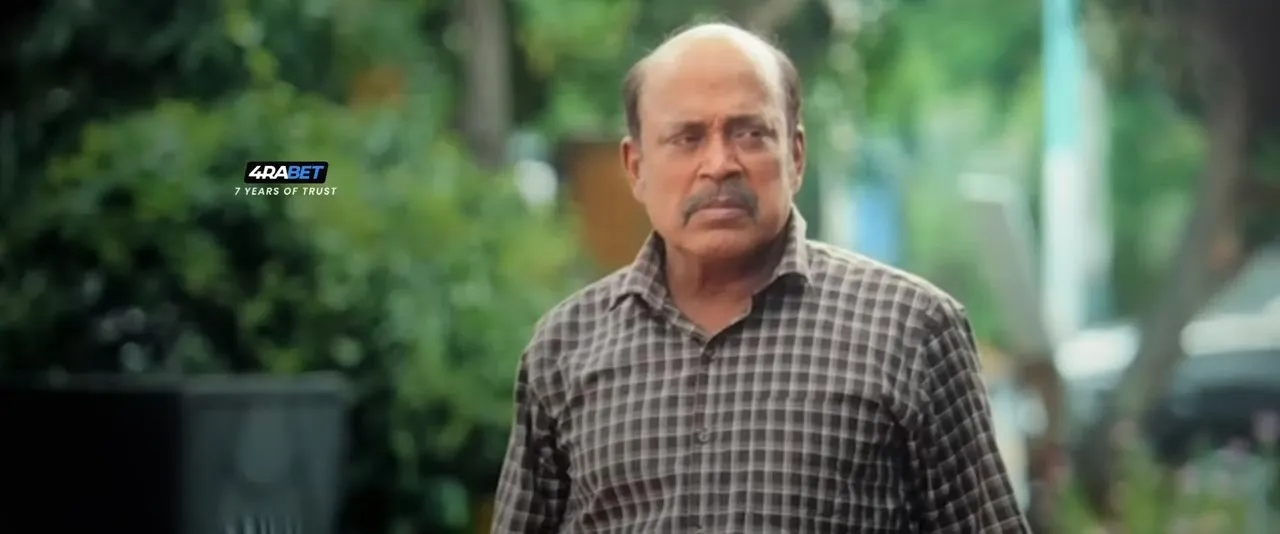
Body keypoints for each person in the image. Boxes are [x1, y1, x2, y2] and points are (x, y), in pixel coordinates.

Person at [492, 22, 1030, 534]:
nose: (719, 164)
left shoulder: (910, 330)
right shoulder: (563, 348)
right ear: (636, 167)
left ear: (795, 154)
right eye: (686, 137)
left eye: (749, 133)